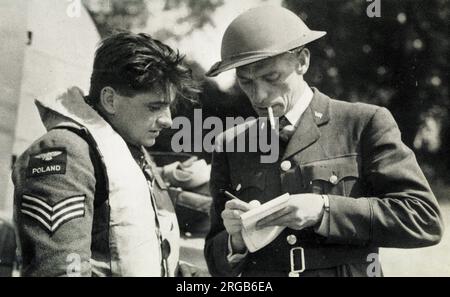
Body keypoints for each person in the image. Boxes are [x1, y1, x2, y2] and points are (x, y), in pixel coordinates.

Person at [204, 6, 444, 277]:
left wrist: (324, 210)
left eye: (271, 77)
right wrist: (236, 240)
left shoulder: (363, 123)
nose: (259, 96)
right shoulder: (231, 144)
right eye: (246, 82)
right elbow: (215, 261)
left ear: (302, 61)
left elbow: (423, 219)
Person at [12, 32, 201, 277]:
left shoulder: (129, 149)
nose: (168, 120)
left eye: (168, 106)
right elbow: (60, 270)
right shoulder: (65, 153)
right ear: (110, 99)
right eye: (155, 106)